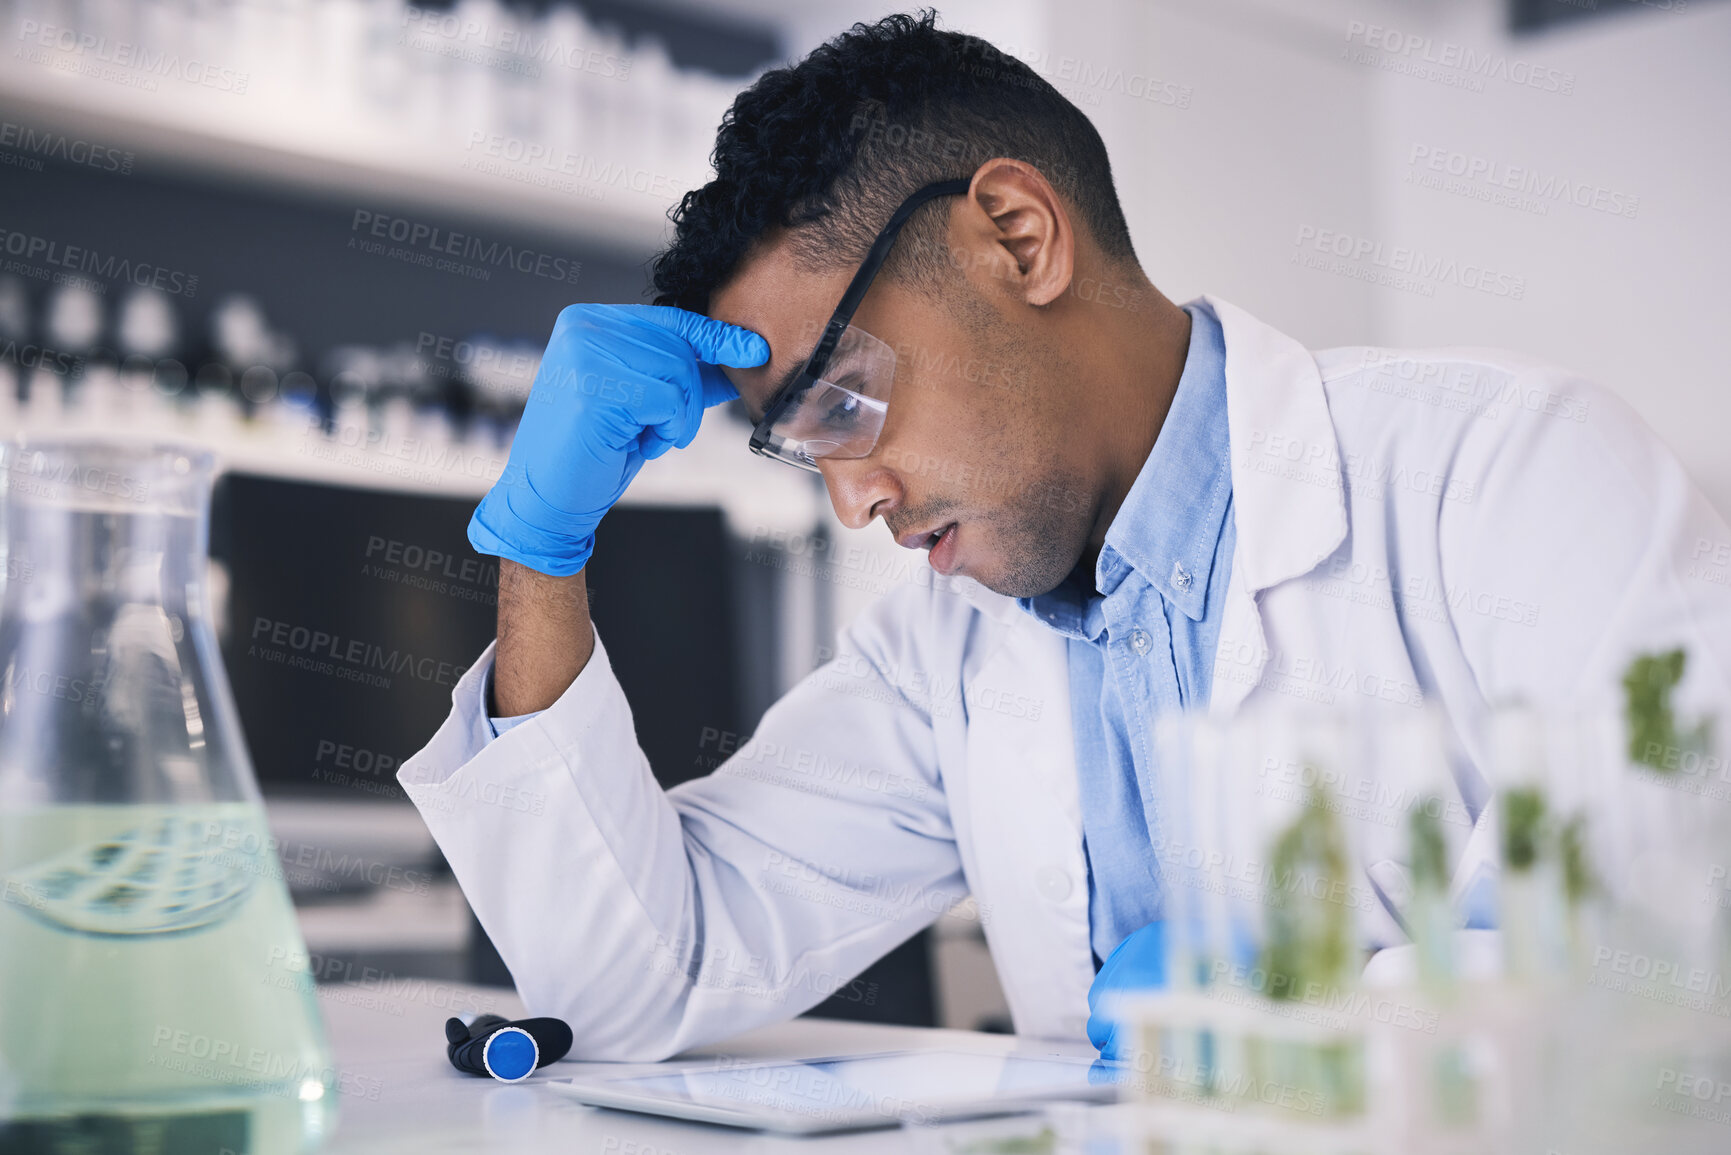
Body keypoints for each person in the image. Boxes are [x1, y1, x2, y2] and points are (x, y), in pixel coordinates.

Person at [398, 12, 1731, 1061]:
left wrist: (1261, 1027)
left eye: (845, 402)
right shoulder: (945, 649)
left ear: (1019, 239)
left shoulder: (1509, 476)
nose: (853, 503)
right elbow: (634, 983)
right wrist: (544, 551)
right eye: (802, 450)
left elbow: (1659, 981)